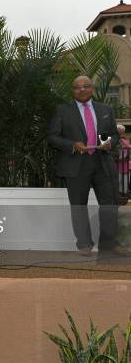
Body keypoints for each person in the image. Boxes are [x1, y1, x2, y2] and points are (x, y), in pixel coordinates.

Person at [47, 76, 130, 256]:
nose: (82, 90)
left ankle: (109, 244)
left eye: (85, 86)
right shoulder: (62, 111)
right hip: (76, 164)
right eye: (77, 87)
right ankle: (84, 244)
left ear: (92, 88)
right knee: (78, 205)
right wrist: (72, 145)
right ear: (73, 91)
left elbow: (114, 135)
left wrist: (109, 142)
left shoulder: (106, 109)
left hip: (103, 163)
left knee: (109, 205)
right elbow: (52, 137)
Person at [117, 124, 131, 193]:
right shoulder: (114, 139)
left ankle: (123, 195)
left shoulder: (124, 139)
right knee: (117, 182)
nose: (121, 132)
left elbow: (129, 147)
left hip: (125, 165)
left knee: (125, 183)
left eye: (122, 131)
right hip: (117, 165)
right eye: (120, 131)